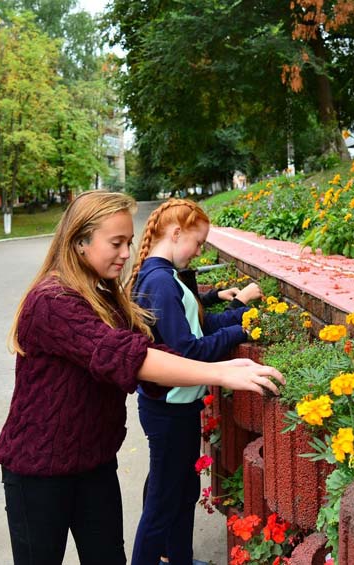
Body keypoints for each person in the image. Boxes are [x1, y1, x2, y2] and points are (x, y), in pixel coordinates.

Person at [0, 191, 282, 565]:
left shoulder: (104, 294)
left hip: (94, 462)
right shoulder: (53, 300)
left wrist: (218, 358)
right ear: (80, 242)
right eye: (116, 243)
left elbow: (152, 351)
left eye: (129, 242)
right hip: (39, 472)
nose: (128, 253)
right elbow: (130, 357)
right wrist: (218, 372)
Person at [128, 199, 262, 565]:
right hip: (168, 409)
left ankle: (179, 559)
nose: (199, 251)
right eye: (198, 242)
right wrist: (239, 330)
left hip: (178, 406)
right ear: (175, 233)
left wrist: (240, 317)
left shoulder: (166, 277)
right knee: (161, 503)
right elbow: (188, 349)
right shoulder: (159, 281)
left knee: (184, 492)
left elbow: (199, 324)